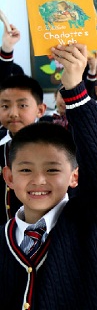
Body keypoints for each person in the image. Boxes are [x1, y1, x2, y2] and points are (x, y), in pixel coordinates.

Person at [0, 42, 97, 309]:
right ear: (8, 177)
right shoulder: (3, 237)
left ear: (74, 176)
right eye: (26, 170)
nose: (39, 180)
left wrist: (75, 89)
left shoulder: (85, 220)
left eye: (53, 169)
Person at [0, 74, 48, 225]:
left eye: (22, 106)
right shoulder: (1, 146)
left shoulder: (53, 147)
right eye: (5, 106)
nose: (13, 113)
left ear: (40, 110)